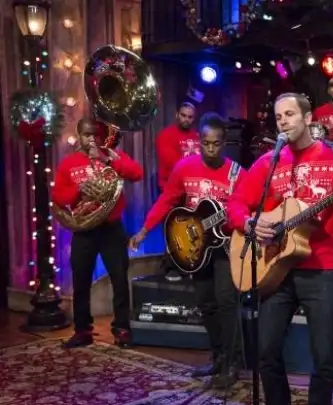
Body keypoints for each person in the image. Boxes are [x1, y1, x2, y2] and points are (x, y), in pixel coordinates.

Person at [227, 92, 333, 405]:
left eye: (289, 115)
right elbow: (235, 203)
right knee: (265, 351)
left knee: (324, 357)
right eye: (278, 117)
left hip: (322, 269)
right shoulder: (268, 162)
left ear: (307, 118)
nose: (283, 122)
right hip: (276, 268)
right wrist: (249, 223)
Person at [129, 113, 245, 388]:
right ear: (199, 141)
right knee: (206, 303)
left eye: (216, 144)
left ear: (224, 143)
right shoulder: (184, 167)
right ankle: (218, 357)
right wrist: (144, 230)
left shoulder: (237, 174)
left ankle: (233, 363)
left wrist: (234, 217)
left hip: (226, 247)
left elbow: (244, 208)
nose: (211, 149)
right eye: (206, 143)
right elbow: (167, 201)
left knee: (227, 303)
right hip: (197, 248)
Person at [51, 118, 144, 349]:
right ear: (79, 135)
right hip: (84, 230)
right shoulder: (69, 164)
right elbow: (58, 197)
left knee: (119, 280)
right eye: (86, 135)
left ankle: (122, 329)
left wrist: (107, 159)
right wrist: (78, 189)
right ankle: (83, 331)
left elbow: (137, 173)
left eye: (95, 134)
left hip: (112, 229)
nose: (91, 139)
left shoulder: (111, 156)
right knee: (81, 281)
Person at [155, 102, 200, 282]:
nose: (186, 119)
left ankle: (192, 265)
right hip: (172, 192)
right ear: (177, 115)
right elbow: (173, 164)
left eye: (190, 117)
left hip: (194, 193)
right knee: (172, 230)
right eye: (183, 115)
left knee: (192, 230)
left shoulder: (197, 136)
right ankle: (171, 266)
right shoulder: (166, 136)